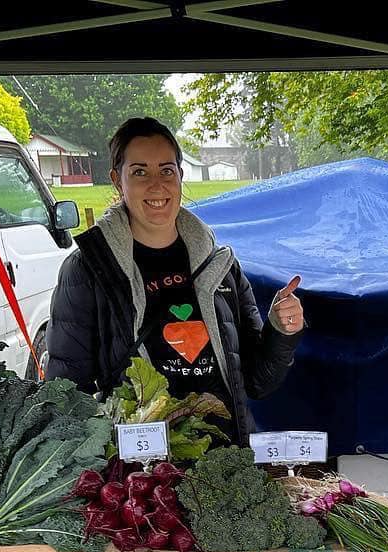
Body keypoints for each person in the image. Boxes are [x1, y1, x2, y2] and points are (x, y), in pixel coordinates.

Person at [46, 116, 304, 445]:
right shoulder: (87, 270)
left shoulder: (221, 265)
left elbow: (257, 382)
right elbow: (67, 393)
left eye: (167, 170)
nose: (157, 185)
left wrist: (282, 331)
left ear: (180, 176)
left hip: (227, 460)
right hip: (143, 476)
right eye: (139, 172)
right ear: (116, 180)